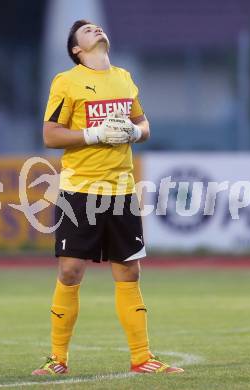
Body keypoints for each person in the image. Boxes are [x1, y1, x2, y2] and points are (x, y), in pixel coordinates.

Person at [32, 20, 184, 375]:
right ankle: (58, 359)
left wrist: (134, 130)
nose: (96, 31)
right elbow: (51, 136)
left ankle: (142, 358)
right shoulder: (65, 82)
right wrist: (94, 133)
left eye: (98, 28)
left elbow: (144, 127)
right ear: (76, 49)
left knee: (130, 272)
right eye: (87, 32)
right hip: (79, 190)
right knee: (70, 271)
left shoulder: (125, 77)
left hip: (122, 191)